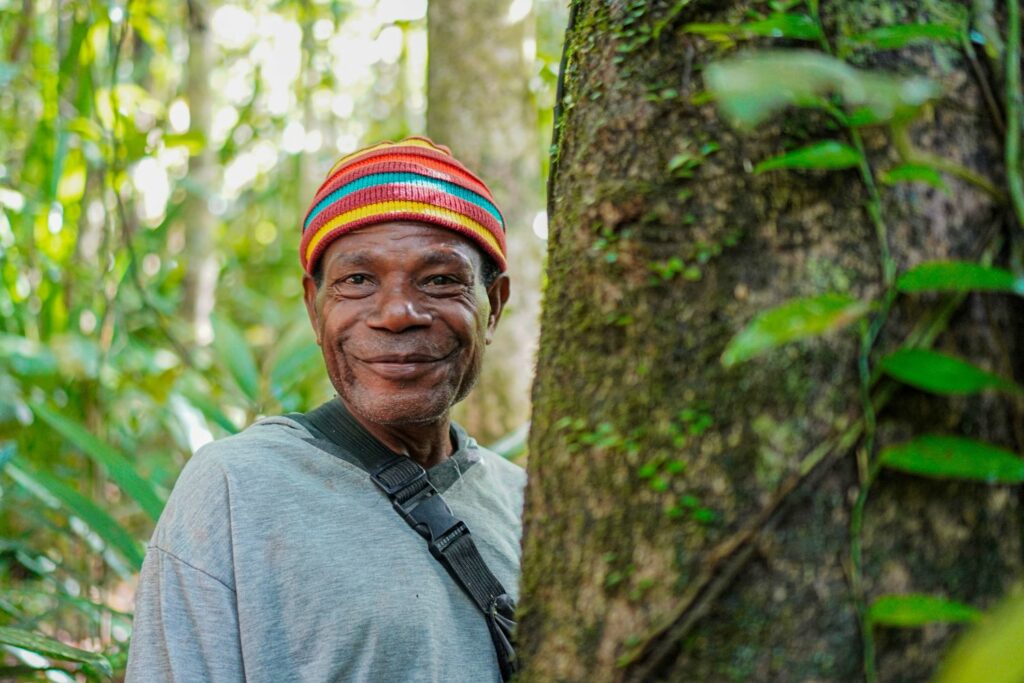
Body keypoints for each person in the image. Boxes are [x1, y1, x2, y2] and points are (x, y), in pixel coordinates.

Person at [125, 137, 526, 682]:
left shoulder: (528, 504)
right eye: (357, 281)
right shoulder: (235, 487)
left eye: (439, 280)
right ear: (316, 310)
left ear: (494, 305)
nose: (396, 314)